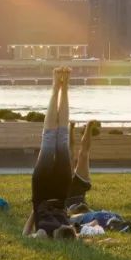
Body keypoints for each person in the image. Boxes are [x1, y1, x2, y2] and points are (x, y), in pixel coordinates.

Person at [22, 67, 77, 240]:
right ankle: (60, 88)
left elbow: (26, 235)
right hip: (48, 194)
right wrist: (35, 209)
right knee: (54, 138)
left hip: (53, 193)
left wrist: (36, 208)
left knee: (57, 138)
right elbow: (25, 234)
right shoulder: (48, 234)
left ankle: (61, 87)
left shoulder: (56, 233)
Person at [65, 121, 96, 214]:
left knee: (81, 154)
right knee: (77, 154)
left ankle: (87, 125)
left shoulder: (68, 214)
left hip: (69, 187)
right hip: (79, 188)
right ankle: (73, 127)